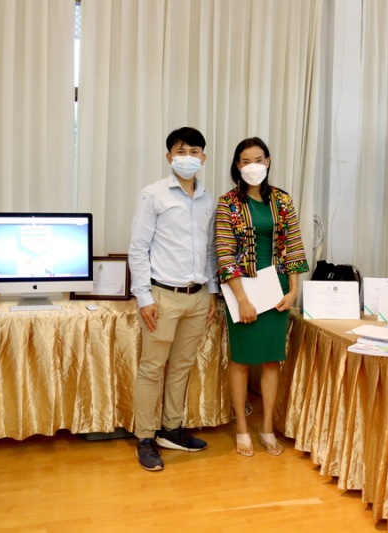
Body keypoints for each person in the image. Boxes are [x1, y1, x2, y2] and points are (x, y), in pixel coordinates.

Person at [128, 126, 218, 472]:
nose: (188, 158)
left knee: (182, 366)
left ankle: (171, 429)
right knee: (152, 368)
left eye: (194, 152)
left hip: (197, 297)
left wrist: (211, 292)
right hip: (163, 296)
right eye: (181, 151)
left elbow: (208, 250)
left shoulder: (208, 198)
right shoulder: (153, 195)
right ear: (169, 157)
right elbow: (139, 248)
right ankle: (145, 437)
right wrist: (144, 297)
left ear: (203, 158)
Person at [215, 137, 309, 456]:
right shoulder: (228, 203)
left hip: (277, 288)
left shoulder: (282, 200)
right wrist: (242, 299)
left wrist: (293, 290)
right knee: (241, 360)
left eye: (258, 159)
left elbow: (293, 246)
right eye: (245, 161)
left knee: (272, 359)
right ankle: (242, 427)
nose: (252, 166)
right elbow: (224, 253)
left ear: (267, 162)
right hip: (240, 289)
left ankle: (267, 427)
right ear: (237, 165)